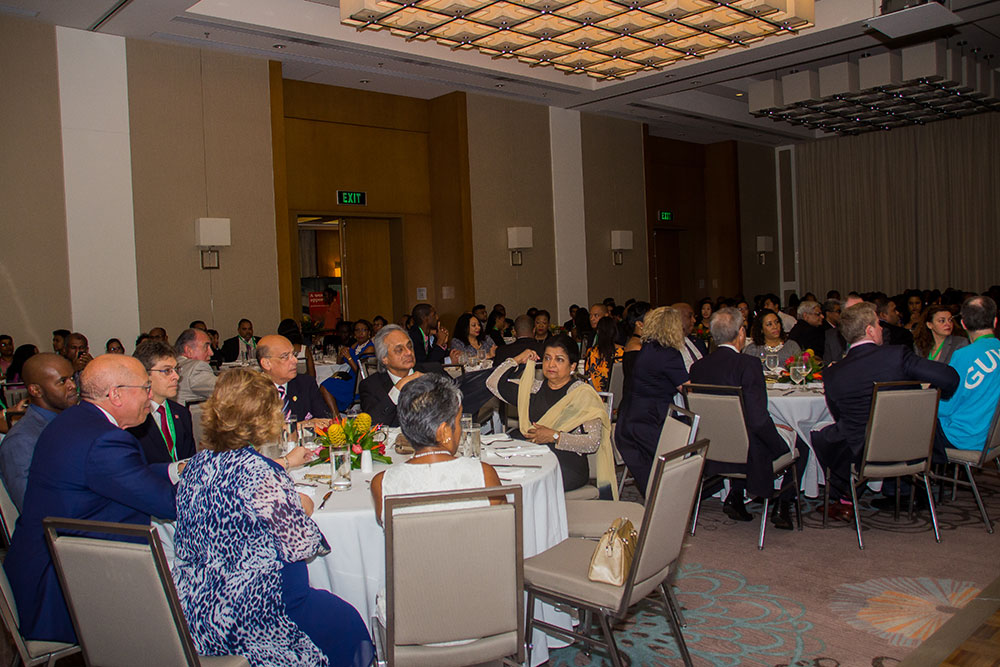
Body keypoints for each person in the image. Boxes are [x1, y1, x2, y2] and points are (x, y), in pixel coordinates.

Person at [172, 369, 373, 667]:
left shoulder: (195, 466)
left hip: (196, 607)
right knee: (347, 622)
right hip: (256, 611)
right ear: (266, 418)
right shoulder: (262, 474)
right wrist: (301, 506)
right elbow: (302, 545)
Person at [4, 354, 178, 643]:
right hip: (67, 591)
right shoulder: (104, 440)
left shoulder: (76, 420)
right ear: (116, 394)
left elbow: (123, 476)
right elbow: (169, 504)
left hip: (46, 567)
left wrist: (176, 470)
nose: (150, 396)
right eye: (145, 388)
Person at [810, 302, 959, 519]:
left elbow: (840, 416)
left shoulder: (833, 373)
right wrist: (927, 393)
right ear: (870, 330)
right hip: (914, 447)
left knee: (825, 435)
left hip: (865, 455)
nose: (882, 328)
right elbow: (949, 378)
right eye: (879, 325)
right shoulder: (896, 356)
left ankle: (846, 497)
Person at [689, 308, 805, 529]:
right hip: (748, 455)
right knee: (801, 443)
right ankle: (783, 504)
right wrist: (780, 446)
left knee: (744, 432)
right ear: (741, 333)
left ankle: (735, 495)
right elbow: (759, 420)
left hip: (712, 450)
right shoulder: (748, 365)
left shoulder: (698, 368)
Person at [486, 334, 616, 498]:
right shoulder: (533, 389)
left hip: (567, 464)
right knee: (498, 472)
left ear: (572, 366)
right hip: (533, 455)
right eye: (547, 358)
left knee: (523, 483)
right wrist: (517, 359)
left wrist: (555, 436)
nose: (551, 364)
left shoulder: (581, 395)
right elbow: (492, 382)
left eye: (559, 359)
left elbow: (592, 442)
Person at [370, 373, 503, 524]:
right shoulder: (484, 475)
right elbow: (502, 527)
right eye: (458, 421)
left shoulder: (382, 484)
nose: (460, 429)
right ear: (444, 432)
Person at [614, 307, 689, 496]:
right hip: (651, 420)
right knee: (683, 457)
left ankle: (660, 501)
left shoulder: (646, 348)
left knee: (650, 474)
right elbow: (688, 390)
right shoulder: (669, 354)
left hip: (630, 417)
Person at [0, 354, 78, 511]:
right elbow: (33, 507)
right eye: (62, 381)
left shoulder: (71, 421)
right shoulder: (21, 441)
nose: (73, 386)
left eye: (72, 378)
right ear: (35, 390)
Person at [936, 296, 1000, 456]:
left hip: (965, 438)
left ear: (963, 324)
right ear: (995, 322)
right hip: (994, 438)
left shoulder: (964, 356)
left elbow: (945, 406)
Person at [359, 325, 443, 427]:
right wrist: (399, 387)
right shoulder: (371, 386)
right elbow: (373, 424)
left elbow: (458, 396)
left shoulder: (433, 370)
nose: (409, 352)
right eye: (400, 350)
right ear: (384, 358)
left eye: (409, 346)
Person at [127, 341, 196, 465]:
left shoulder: (182, 413)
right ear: (145, 374)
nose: (176, 376)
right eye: (167, 371)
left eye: (176, 369)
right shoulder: (131, 419)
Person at [258, 335, 332, 425]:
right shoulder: (252, 391)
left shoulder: (306, 383)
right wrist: (300, 426)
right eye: (285, 356)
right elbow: (255, 429)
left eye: (294, 354)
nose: (295, 360)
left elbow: (324, 419)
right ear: (266, 363)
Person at [321, 320, 375, 413]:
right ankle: (336, 415)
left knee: (325, 386)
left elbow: (361, 373)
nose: (360, 333)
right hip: (350, 378)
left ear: (369, 333)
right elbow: (339, 362)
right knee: (325, 385)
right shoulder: (356, 345)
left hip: (358, 383)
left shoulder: (370, 348)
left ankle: (336, 416)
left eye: (363, 330)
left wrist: (349, 358)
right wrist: (341, 354)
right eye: (357, 330)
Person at [176, 328, 217, 405]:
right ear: (189, 350)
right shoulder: (196, 368)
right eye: (206, 347)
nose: (211, 353)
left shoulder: (176, 364)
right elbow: (229, 391)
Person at [584, 316, 623, 392]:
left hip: (596, 394)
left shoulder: (592, 352)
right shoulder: (622, 352)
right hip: (617, 392)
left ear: (598, 332)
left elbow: (587, 377)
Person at [671, 302, 707, 369]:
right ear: (677, 318)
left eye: (694, 316)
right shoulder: (667, 347)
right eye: (690, 316)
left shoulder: (699, 343)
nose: (694, 320)